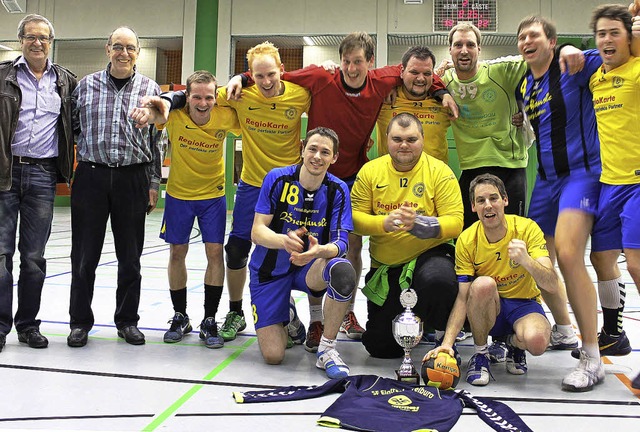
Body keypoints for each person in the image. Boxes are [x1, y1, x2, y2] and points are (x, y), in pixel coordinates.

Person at [228, 32, 458, 351]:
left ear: (370, 63)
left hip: (351, 177)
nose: (351, 68)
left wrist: (442, 88)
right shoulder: (323, 76)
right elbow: (275, 76)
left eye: (358, 62)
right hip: (315, 177)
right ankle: (305, 316)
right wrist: (242, 76)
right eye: (347, 62)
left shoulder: (381, 80)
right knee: (300, 240)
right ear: (341, 62)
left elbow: (416, 73)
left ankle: (346, 313)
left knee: (349, 245)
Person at [162, 42, 311, 344]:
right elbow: (192, 95)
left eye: (271, 74)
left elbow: (326, 90)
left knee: (289, 250)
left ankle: (291, 313)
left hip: (288, 186)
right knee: (235, 251)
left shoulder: (300, 94)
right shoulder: (238, 95)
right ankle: (235, 311)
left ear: (282, 70)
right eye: (258, 76)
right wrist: (237, 80)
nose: (266, 82)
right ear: (250, 76)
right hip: (252, 184)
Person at [516, 15, 630, 379]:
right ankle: (564, 328)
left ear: (551, 42)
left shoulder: (573, 64)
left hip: (582, 175)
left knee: (569, 254)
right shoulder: (523, 86)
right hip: (546, 180)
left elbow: (614, 52)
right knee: (537, 260)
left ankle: (592, 356)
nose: (526, 41)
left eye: (534, 35)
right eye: (521, 37)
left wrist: (572, 46)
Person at [129, 71, 240, 348]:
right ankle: (180, 315)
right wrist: (146, 113)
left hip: (213, 197)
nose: (203, 103)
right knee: (177, 252)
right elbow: (156, 115)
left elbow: (249, 117)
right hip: (179, 196)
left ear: (216, 97)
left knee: (215, 253)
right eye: (197, 97)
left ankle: (210, 319)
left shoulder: (225, 117)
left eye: (209, 97)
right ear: (186, 97)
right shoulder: (175, 115)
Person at [67, 26, 161, 348]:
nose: (123, 53)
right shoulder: (84, 87)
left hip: (132, 178)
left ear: (137, 52)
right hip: (91, 177)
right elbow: (72, 131)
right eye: (117, 46)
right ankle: (79, 322)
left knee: (130, 257)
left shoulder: (151, 90)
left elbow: (156, 140)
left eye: (130, 47)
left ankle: (127, 321)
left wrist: (152, 182)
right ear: (107, 49)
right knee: (83, 256)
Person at [426, 174, 559, 386]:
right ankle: (480, 355)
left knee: (538, 342)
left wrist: (526, 260)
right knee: (483, 284)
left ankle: (512, 342)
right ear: (473, 207)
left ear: (505, 200)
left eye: (493, 198)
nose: (488, 206)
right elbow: (463, 297)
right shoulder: (467, 240)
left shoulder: (527, 229)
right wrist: (447, 343)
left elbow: (552, 284)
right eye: (481, 201)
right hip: (489, 308)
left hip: (523, 304)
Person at [351, 113, 463, 359]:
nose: (404, 145)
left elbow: (456, 222)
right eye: (397, 139)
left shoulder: (440, 171)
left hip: (429, 256)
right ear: (386, 139)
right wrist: (384, 223)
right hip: (387, 268)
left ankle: (443, 333)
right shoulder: (370, 171)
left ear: (423, 139)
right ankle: (416, 322)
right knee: (379, 347)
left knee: (439, 281)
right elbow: (355, 219)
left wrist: (423, 225)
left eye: (411, 139)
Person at [249, 127, 356, 379]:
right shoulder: (277, 178)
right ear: (302, 149)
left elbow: (342, 242)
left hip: (310, 267)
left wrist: (321, 250)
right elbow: (257, 231)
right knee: (274, 356)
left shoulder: (338, 190)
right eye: (313, 149)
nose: (317, 156)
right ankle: (292, 321)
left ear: (334, 158)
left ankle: (327, 348)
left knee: (341, 268)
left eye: (325, 152)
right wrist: (283, 241)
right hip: (270, 270)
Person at [0, 14, 77, 352]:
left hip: (44, 176)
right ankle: (0, 327)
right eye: (30, 37)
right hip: (4, 174)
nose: (37, 42)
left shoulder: (65, 81)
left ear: (51, 42)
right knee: (0, 255)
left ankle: (28, 326)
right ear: (21, 41)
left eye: (43, 38)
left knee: (33, 257)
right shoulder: (3, 76)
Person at [580, 2, 640, 392]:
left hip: (638, 181)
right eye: (600, 33)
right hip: (608, 183)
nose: (607, 40)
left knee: (635, 262)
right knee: (601, 258)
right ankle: (614, 333)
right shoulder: (596, 76)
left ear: (630, 38)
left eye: (615, 33)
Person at [376, 45, 451, 163]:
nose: (420, 79)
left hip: (433, 179)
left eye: (427, 73)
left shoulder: (445, 104)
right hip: (391, 178)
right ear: (401, 72)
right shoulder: (384, 100)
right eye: (414, 72)